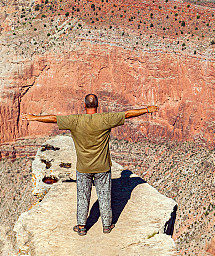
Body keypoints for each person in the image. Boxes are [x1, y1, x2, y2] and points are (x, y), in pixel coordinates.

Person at [22, 94, 158, 236]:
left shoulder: (75, 120)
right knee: (104, 196)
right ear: (98, 104)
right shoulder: (105, 119)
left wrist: (34, 117)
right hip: (102, 167)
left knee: (83, 196)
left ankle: (81, 227)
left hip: (83, 167)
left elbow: (54, 119)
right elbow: (128, 114)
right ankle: (106, 225)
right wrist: (147, 109)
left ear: (84, 105)